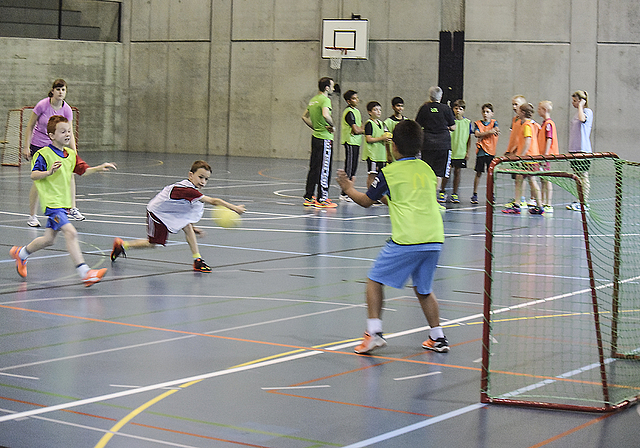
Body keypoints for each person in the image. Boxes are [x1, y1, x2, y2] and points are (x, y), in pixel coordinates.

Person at [336, 119, 450, 354]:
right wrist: (386, 196)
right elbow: (408, 199)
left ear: (394, 146)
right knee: (424, 289)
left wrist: (348, 188)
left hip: (408, 238)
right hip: (434, 237)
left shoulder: (388, 172)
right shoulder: (427, 170)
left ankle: (374, 333)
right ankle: (437, 337)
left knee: (374, 280)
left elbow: (366, 201)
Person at [10, 116, 116, 286]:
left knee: (49, 240)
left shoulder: (71, 155)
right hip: (53, 205)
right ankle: (85, 273)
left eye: (68, 131)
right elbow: (33, 174)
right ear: (52, 135)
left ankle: (21, 254)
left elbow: (83, 170)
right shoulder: (44, 154)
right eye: (62, 131)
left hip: (64, 205)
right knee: (71, 232)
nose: (67, 134)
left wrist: (98, 168)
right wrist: (48, 172)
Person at [111, 160, 245, 272]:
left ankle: (197, 260)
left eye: (206, 179)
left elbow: (184, 210)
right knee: (153, 244)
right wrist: (235, 208)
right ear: (190, 175)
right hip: (157, 213)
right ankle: (122, 245)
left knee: (188, 227)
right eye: (200, 177)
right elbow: (214, 201)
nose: (203, 181)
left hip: (171, 212)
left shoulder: (192, 190)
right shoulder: (185, 189)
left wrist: (192, 226)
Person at [22, 79, 83, 227]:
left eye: (63, 90)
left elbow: (69, 132)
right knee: (40, 180)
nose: (61, 92)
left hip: (57, 146)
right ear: (53, 91)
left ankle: (72, 207)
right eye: (58, 89)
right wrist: (26, 146)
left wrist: (74, 152)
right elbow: (30, 126)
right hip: (40, 146)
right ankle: (32, 216)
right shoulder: (42, 105)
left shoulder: (67, 109)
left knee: (70, 174)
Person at [415, 86, 456, 201]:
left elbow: (417, 125)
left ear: (430, 96)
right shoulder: (446, 108)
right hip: (443, 144)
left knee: (427, 170)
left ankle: (425, 195)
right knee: (439, 172)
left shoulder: (424, 108)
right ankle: (434, 197)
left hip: (427, 144)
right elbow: (453, 127)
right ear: (441, 96)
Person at [301, 77, 337, 208]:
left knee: (314, 168)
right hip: (325, 138)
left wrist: (315, 127)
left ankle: (309, 197)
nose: (333, 89)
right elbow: (326, 115)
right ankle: (322, 198)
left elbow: (304, 116)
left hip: (315, 137)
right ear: (327, 88)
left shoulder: (313, 100)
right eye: (332, 86)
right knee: (324, 168)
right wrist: (332, 126)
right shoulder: (325, 100)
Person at [502, 103, 544, 215]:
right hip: (530, 157)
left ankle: (535, 205)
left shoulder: (526, 125)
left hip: (528, 158)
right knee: (521, 179)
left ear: (523, 112)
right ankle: (521, 204)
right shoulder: (529, 124)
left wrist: (520, 156)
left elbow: (528, 141)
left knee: (530, 181)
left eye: (519, 111)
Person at [440, 99, 472, 203]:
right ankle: (442, 191)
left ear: (464, 110)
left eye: (460, 109)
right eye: (456, 108)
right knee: (446, 173)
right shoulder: (449, 121)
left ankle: (454, 193)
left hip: (460, 152)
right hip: (449, 151)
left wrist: (468, 151)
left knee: (457, 172)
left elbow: (469, 138)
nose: (458, 110)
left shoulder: (467, 123)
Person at [566, 90, 593, 211]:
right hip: (574, 149)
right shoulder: (576, 113)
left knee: (583, 175)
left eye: (575, 101)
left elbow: (583, 119)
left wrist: (581, 106)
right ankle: (579, 200)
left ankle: (585, 202)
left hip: (583, 150)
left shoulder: (587, 112)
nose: (573, 103)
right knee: (577, 176)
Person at [471, 103, 500, 204]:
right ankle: (474, 194)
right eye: (483, 111)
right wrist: (488, 132)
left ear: (492, 113)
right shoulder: (478, 123)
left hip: (491, 151)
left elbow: (496, 130)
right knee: (478, 173)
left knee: (491, 174)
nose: (485, 114)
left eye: (487, 112)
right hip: (481, 151)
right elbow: (477, 134)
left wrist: (484, 134)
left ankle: (491, 194)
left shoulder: (494, 123)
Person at [339, 90, 364, 202]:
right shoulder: (349, 112)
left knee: (354, 167)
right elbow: (356, 129)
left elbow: (360, 128)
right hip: (349, 141)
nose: (357, 100)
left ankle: (349, 191)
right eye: (354, 98)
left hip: (356, 142)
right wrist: (361, 130)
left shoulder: (357, 111)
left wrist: (360, 130)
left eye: (357, 98)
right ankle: (344, 193)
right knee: (349, 167)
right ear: (348, 101)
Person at [505, 95, 528, 208]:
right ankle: (517, 198)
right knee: (516, 177)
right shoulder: (515, 119)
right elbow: (513, 137)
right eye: (513, 104)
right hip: (514, 153)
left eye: (516, 104)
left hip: (522, 154)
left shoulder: (526, 122)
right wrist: (509, 150)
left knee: (522, 176)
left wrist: (521, 153)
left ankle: (522, 199)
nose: (514, 107)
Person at [362, 101, 391, 190]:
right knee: (372, 174)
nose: (378, 112)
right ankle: (370, 195)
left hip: (380, 154)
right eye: (375, 110)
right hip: (372, 155)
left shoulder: (381, 124)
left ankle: (377, 194)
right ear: (370, 112)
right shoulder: (369, 124)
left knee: (380, 176)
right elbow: (369, 139)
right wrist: (381, 138)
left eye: (379, 110)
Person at [537, 101, 559, 213]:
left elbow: (549, 140)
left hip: (546, 156)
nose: (538, 110)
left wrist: (544, 156)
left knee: (547, 179)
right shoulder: (543, 124)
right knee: (542, 179)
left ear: (545, 110)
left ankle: (549, 203)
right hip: (542, 155)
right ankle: (542, 202)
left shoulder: (548, 124)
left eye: (539, 108)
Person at [384, 97, 408, 163]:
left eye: (402, 106)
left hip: (405, 150)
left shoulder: (406, 121)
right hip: (393, 150)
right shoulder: (388, 122)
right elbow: (387, 141)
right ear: (393, 107)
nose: (400, 108)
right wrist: (388, 154)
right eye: (398, 106)